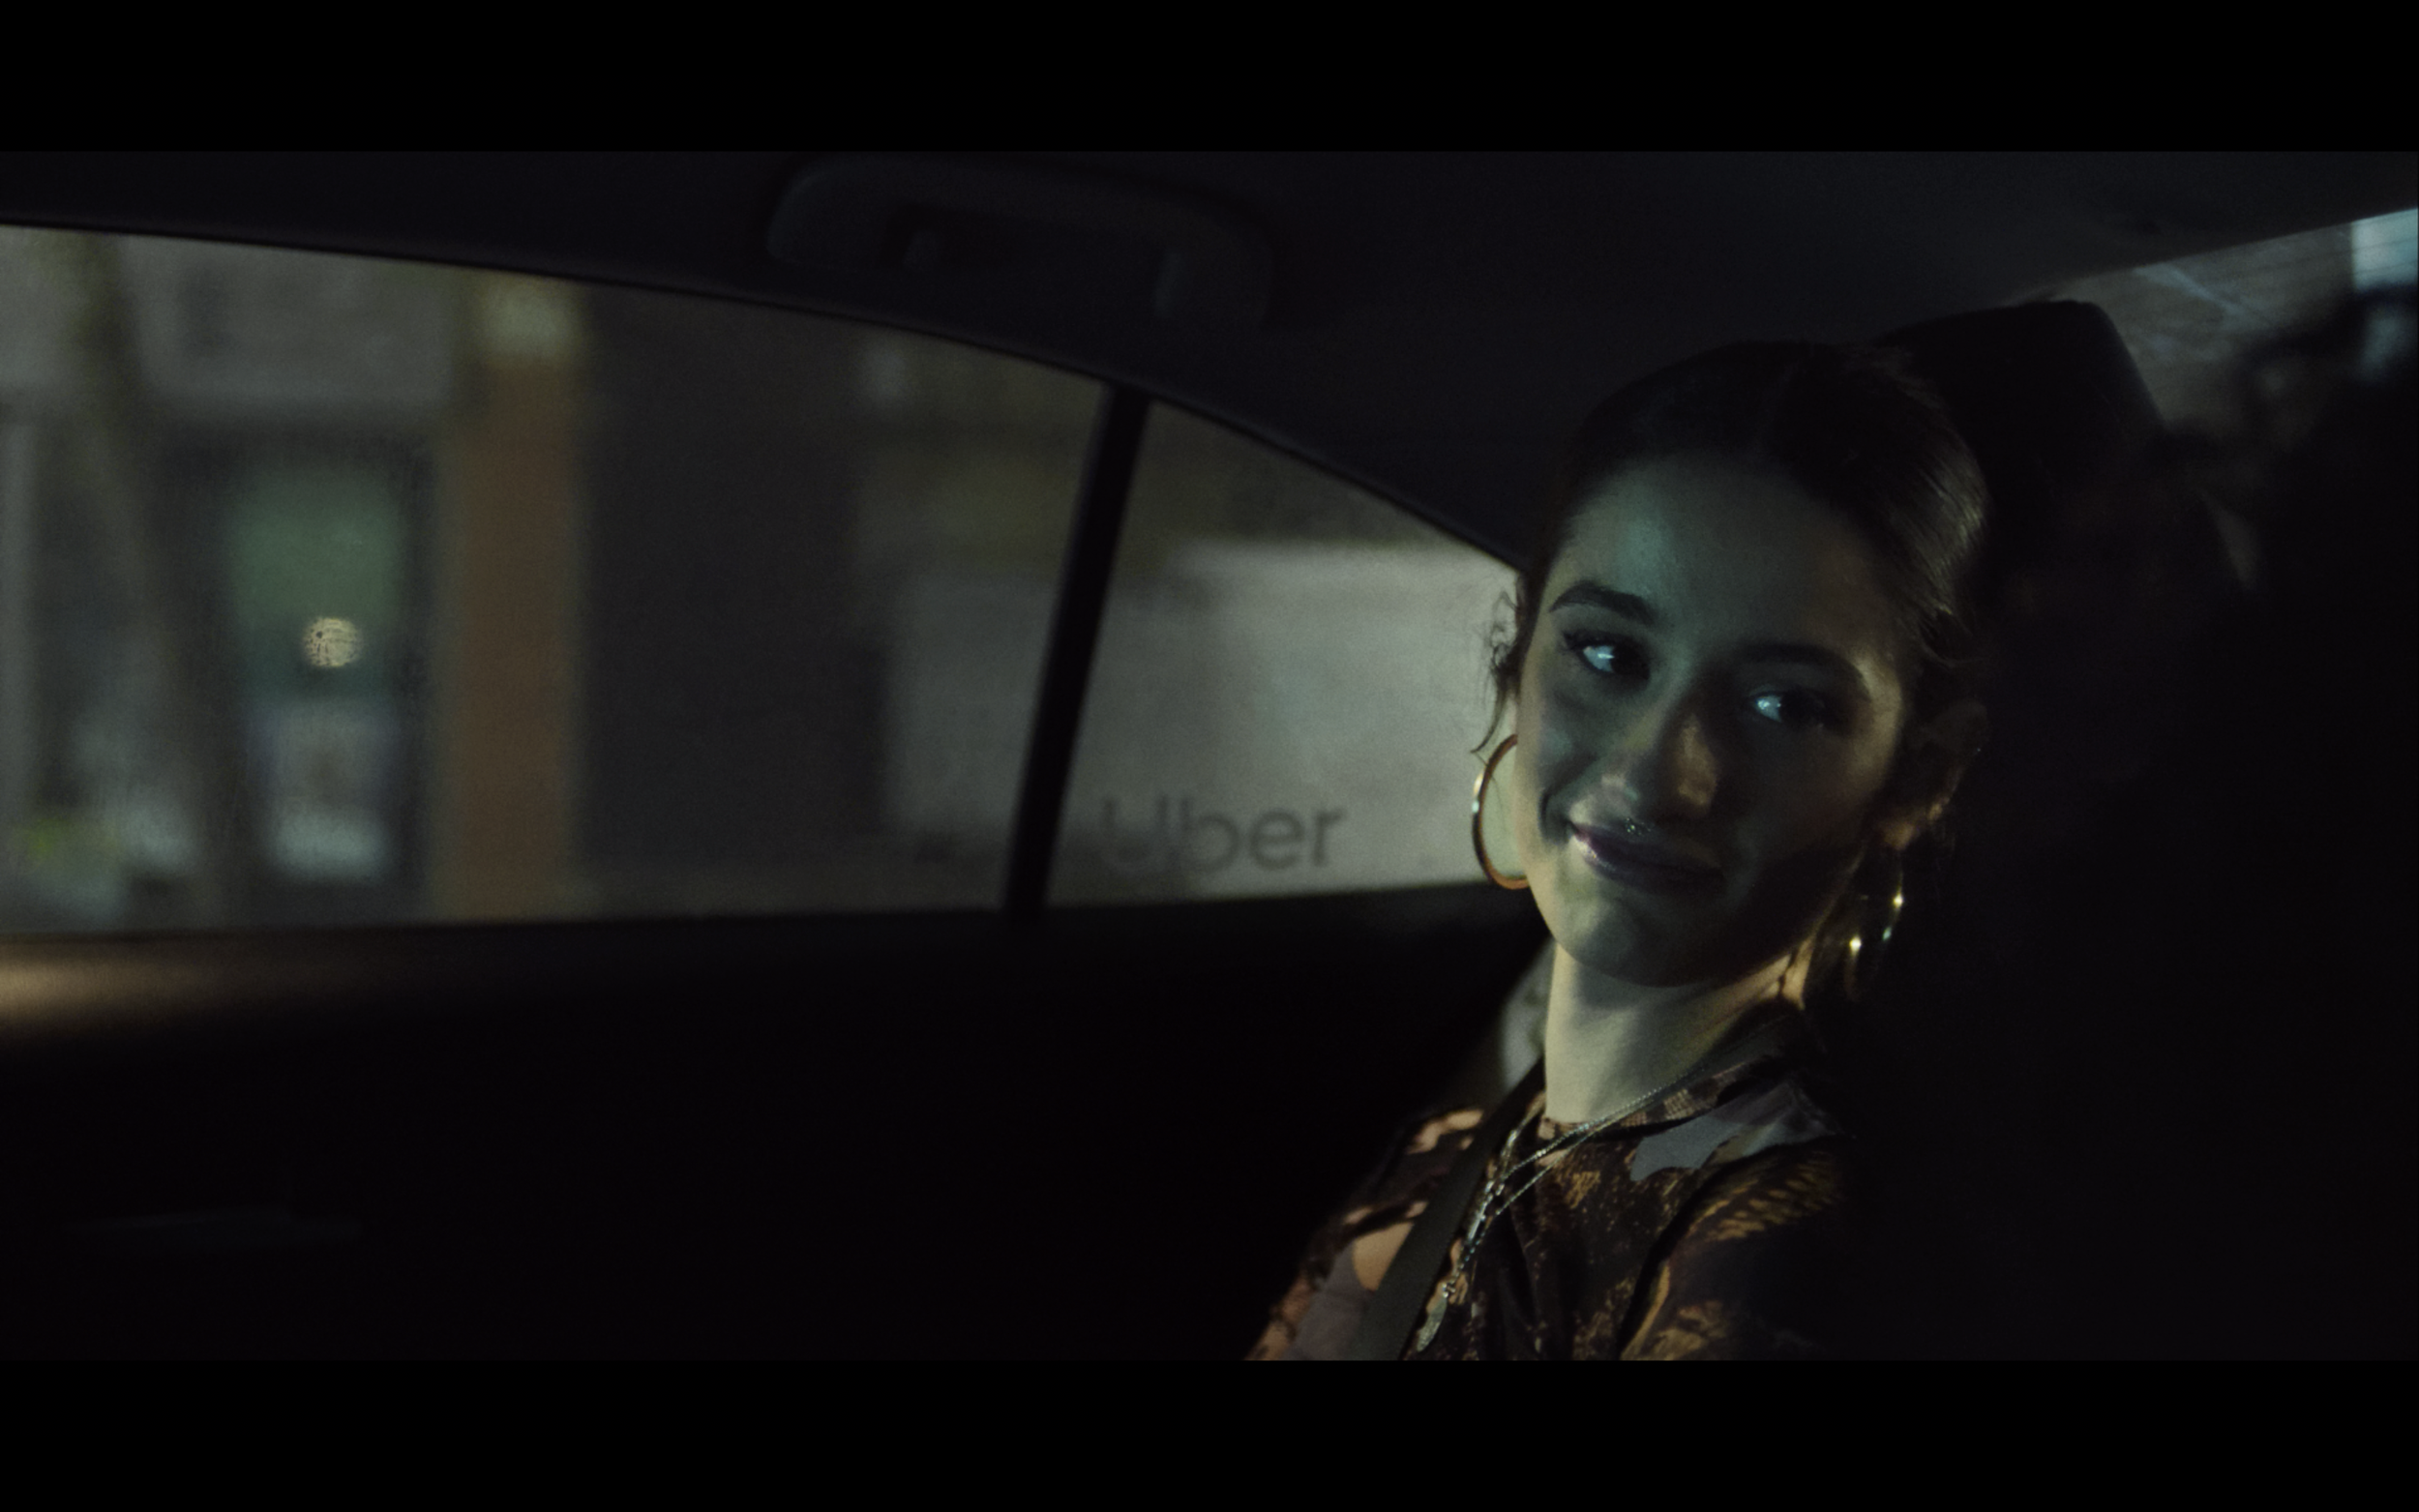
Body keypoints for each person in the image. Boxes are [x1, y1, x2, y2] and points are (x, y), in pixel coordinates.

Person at [1248, 341, 1992, 1360]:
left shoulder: (1793, 1250)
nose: (1656, 776)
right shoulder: (1448, 1159)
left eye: (1783, 704)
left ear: (1917, 776)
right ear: (1518, 660)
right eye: (1608, 653)